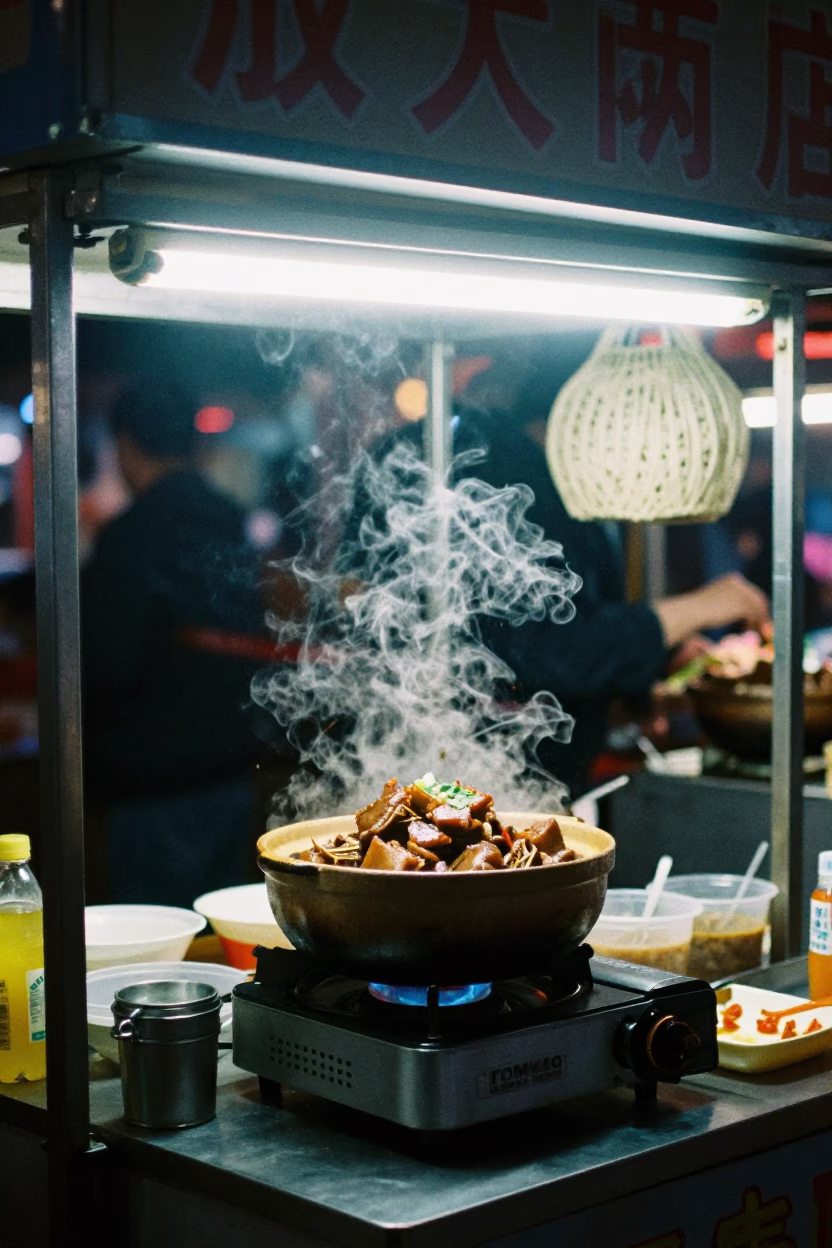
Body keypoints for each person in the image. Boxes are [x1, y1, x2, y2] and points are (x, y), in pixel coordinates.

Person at [82, 381, 273, 907]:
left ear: (124, 445)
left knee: (163, 947)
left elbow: (107, 665)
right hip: (231, 774)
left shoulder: (131, 537)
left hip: (154, 787)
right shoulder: (229, 523)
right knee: (222, 938)